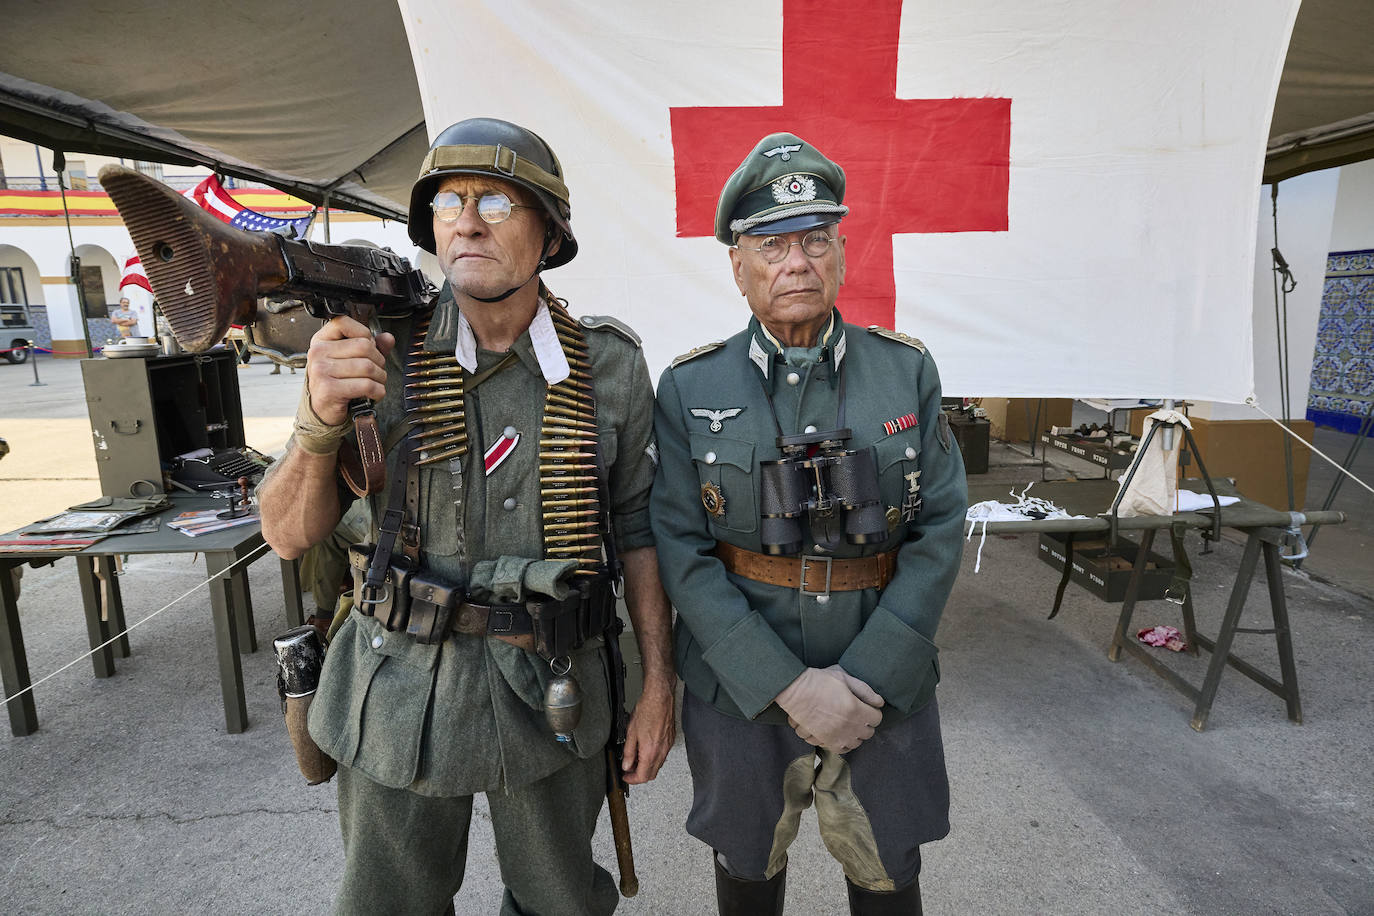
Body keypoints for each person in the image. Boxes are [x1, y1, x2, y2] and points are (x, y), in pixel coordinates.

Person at [258, 117, 676, 916]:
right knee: (388, 904)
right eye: (447, 204)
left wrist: (659, 686)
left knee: (560, 902)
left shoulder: (609, 368)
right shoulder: (370, 354)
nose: (467, 221)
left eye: (494, 201)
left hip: (556, 685)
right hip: (398, 689)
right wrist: (318, 422)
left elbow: (639, 532)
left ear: (550, 237)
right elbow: (285, 533)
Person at [651, 133, 968, 915]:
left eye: (814, 240)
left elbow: (940, 526)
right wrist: (786, 685)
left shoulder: (906, 370)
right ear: (737, 265)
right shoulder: (691, 386)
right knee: (748, 869)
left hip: (883, 680)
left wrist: (871, 674)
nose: (795, 261)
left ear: (841, 253)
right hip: (741, 688)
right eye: (770, 244)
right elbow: (682, 552)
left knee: (888, 871)